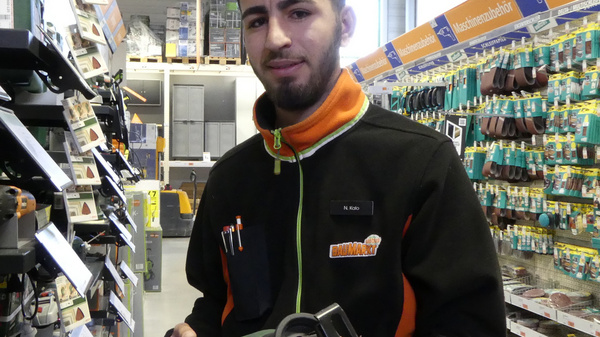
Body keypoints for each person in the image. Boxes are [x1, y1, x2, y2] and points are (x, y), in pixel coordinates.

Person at [170, 0, 506, 336]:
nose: (275, 39)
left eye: (298, 13)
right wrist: (196, 329)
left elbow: (470, 323)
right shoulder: (230, 178)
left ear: (344, 26)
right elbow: (217, 301)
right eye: (257, 21)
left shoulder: (422, 163)